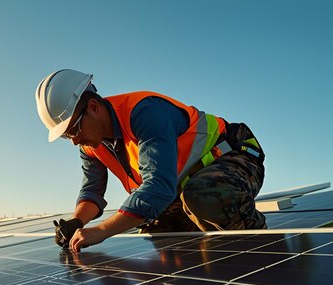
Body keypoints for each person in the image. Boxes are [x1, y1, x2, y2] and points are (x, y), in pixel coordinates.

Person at [35, 69, 266, 253]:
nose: (74, 141)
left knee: (204, 196)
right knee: (159, 228)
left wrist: (102, 231)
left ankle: (260, 254)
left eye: (73, 130)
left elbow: (158, 187)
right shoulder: (90, 144)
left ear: (93, 107)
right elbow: (92, 191)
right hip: (183, 185)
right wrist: (77, 222)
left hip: (233, 155)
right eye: (66, 136)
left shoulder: (144, 112)